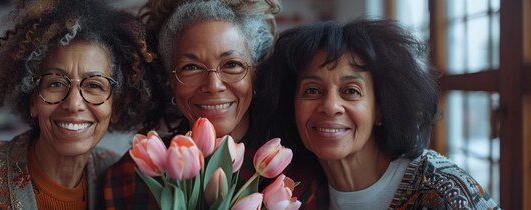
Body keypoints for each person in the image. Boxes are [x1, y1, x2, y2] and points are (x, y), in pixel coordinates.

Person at [0, 0, 159, 209]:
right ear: (32, 100)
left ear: (115, 107)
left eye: (94, 86)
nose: (74, 103)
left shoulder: (120, 177)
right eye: (56, 83)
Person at [252, 19, 500, 209]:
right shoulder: (295, 191)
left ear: (381, 107)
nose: (330, 106)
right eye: (313, 90)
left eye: (350, 91)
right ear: (291, 106)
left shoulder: (442, 190)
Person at [102, 0, 280, 209]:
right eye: (191, 67)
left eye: (232, 64)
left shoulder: (287, 175)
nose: (213, 86)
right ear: (170, 81)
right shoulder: (130, 175)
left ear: (255, 74)